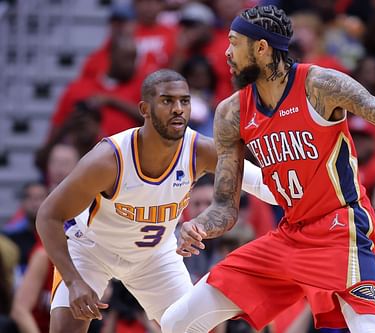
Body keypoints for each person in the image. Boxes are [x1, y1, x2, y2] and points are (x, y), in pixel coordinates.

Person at [161, 5, 375, 333]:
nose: (226, 52)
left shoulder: (319, 85)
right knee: (176, 321)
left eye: (235, 43)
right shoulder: (232, 113)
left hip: (340, 227)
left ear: (261, 48)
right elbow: (224, 206)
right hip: (289, 233)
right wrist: (199, 227)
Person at [35, 69, 276, 333]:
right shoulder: (108, 159)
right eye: (167, 101)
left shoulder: (199, 150)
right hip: (92, 250)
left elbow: (263, 184)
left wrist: (312, 193)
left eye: (184, 101)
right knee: (66, 328)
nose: (178, 109)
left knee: (196, 328)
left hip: (154, 257)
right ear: (144, 109)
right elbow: (47, 215)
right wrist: (73, 282)